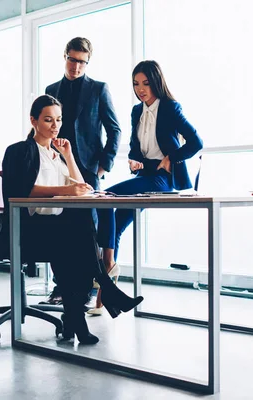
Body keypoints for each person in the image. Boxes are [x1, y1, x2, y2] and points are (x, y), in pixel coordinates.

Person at [0, 95, 142, 344]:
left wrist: (69, 155)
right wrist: (62, 192)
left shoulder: (57, 155)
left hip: (57, 229)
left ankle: (77, 317)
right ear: (33, 120)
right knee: (80, 235)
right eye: (48, 119)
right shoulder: (20, 150)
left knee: (78, 234)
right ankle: (98, 296)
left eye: (58, 120)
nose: (55, 126)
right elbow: (18, 190)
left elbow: (79, 185)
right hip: (28, 229)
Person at [89, 60, 203, 315]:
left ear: (156, 82)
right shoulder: (135, 112)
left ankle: (106, 268)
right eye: (135, 84)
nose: (140, 89)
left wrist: (171, 158)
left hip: (163, 179)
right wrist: (132, 159)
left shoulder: (171, 108)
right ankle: (105, 296)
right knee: (115, 224)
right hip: (144, 176)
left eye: (146, 83)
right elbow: (133, 145)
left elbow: (196, 141)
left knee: (106, 196)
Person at [43, 37, 122, 306]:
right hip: (57, 168)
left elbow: (115, 129)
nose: (76, 66)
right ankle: (61, 286)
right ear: (64, 56)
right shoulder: (51, 89)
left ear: (88, 63)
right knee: (59, 226)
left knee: (88, 228)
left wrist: (104, 164)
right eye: (72, 59)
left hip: (88, 168)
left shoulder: (99, 89)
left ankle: (88, 286)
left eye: (82, 62)